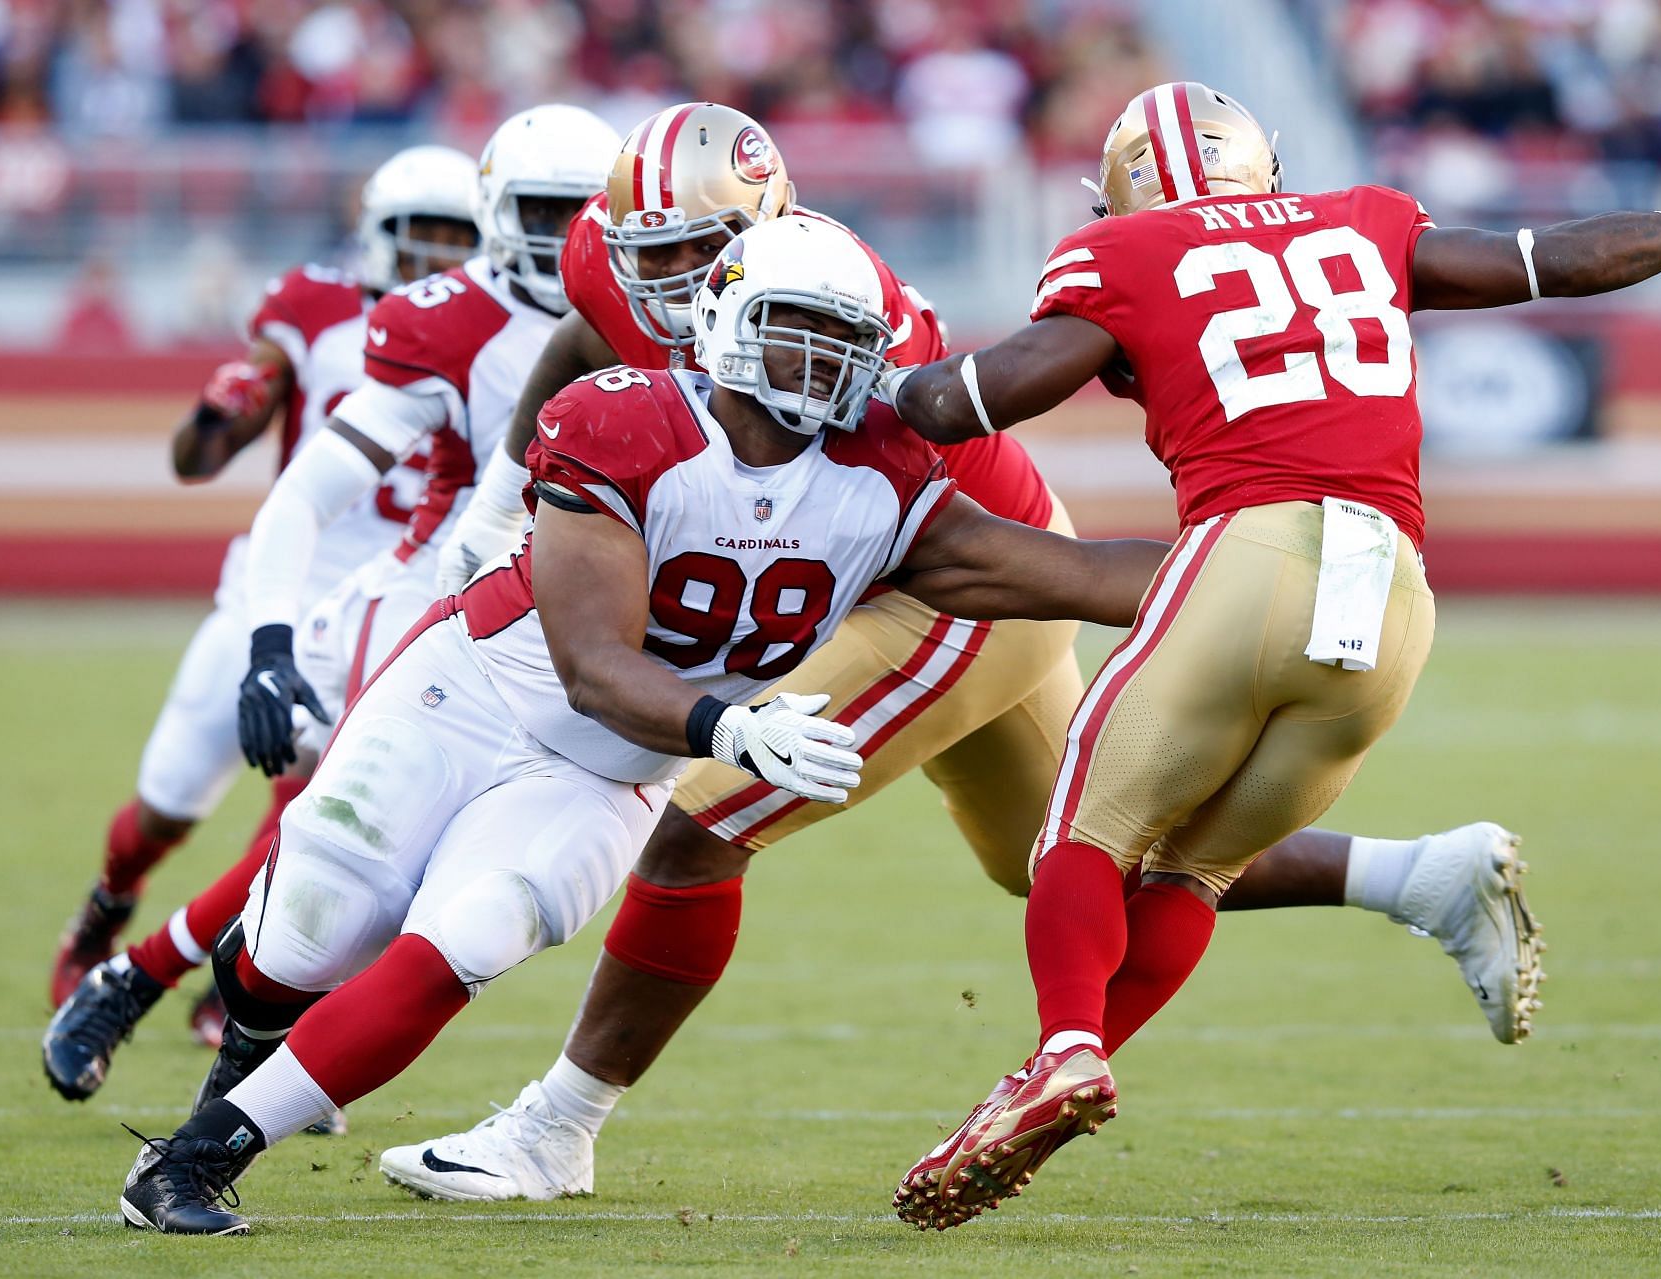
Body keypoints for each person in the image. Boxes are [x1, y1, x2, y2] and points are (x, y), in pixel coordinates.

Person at [374, 105, 1542, 1205]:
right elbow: (587, 333)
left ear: (770, 226)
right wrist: (488, 520)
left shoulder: (843, 300)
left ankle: (554, 1129)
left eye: (708, 250)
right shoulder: (607, 259)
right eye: (655, 250)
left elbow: (874, 481)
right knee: (1064, 868)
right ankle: (1422, 875)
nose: (678, 280)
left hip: (953, 589)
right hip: (924, 583)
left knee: (699, 826)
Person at [883, 81, 1661, 1229]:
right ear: (1262, 167)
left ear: (1119, 192)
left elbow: (975, 400)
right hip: (1394, 593)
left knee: (1082, 834)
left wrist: (902, 390)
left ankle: (1069, 1048)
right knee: (1197, 868)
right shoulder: (1361, 216)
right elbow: (1550, 259)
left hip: (1246, 553)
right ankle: (1045, 1077)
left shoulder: (1119, 251)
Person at [117, 215, 1166, 1236]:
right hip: (473, 697)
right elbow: (593, 665)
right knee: (309, 928)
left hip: (611, 773)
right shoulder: (624, 420)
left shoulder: (883, 477)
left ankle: (196, 1157)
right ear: (725, 317)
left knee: (467, 941)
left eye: (847, 341)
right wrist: (729, 729)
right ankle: (244, 1035)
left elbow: (1074, 572)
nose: (819, 361)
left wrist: (1256, 556)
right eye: (797, 324)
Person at [41, 106, 614, 1108]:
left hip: (557, 615)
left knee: (399, 880)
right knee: (338, 846)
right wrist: (268, 639)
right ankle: (149, 988)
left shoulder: (657, 304)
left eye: (586, 211)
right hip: (427, 600)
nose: (566, 233)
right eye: (545, 209)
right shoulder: (443, 316)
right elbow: (300, 492)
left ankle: (167, 1001)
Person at [43, 143, 480, 1042]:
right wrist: (223, 407)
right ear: (375, 239)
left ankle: (233, 986)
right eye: (418, 238)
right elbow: (195, 461)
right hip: (275, 595)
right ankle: (109, 903)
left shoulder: (494, 329)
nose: (435, 260)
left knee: (313, 811)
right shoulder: (313, 309)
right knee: (164, 804)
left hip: (388, 604)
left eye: (454, 240)